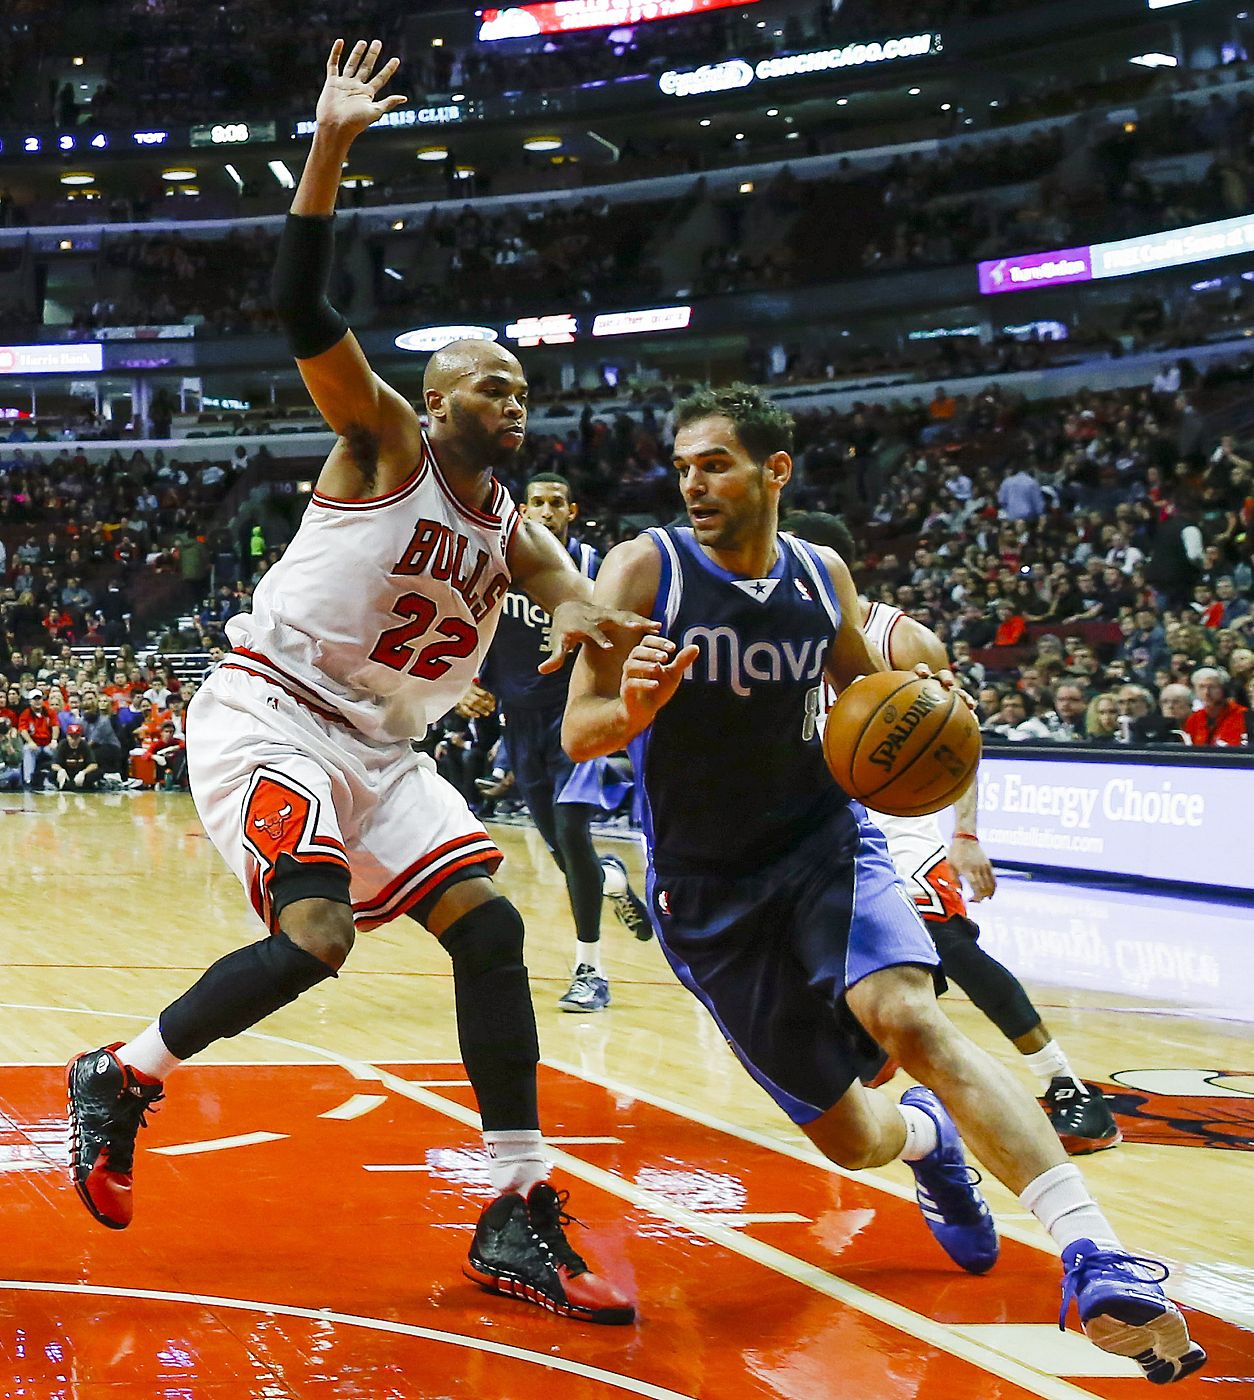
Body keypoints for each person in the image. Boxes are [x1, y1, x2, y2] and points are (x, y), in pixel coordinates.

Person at [67, 38, 650, 1329]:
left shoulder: (515, 526)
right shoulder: (383, 438)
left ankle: (512, 1205)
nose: (512, 400)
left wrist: (606, 636)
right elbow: (299, 314)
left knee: (491, 928)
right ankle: (124, 1072)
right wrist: (328, 145)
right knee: (317, 937)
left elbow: (575, 599)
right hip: (270, 708)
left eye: (523, 387)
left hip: (382, 752)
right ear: (434, 400)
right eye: (488, 384)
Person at [563, 384, 1204, 1383]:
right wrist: (634, 709)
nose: (695, 481)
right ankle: (923, 1138)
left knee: (909, 1014)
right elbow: (579, 728)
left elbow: (864, 697)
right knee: (857, 1139)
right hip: (707, 891)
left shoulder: (823, 576)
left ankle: (1092, 1251)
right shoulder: (645, 567)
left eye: (717, 462)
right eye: (684, 464)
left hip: (824, 842)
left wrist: (924, 707)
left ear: (775, 470)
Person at [783, 510, 1121, 1154]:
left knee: (949, 941)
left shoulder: (902, 640)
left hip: (897, 818)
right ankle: (877, 1063)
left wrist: (964, 834)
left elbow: (953, 743)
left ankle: (1067, 1087)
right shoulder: (773, 636)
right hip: (817, 818)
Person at [474, 471, 651, 1013]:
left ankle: (590, 970)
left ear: (571, 512)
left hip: (573, 715)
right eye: (537, 503)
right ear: (523, 511)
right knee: (561, 849)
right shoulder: (504, 565)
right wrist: (467, 686)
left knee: (572, 834)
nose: (546, 511)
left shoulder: (592, 569)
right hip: (519, 720)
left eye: (556, 503)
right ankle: (611, 878)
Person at [1183, 666, 1247, 746]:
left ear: (1224, 689)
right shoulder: (1193, 719)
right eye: (1201, 687)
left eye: (1212, 687)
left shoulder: (1243, 715)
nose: (1206, 693)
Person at [51, 722, 100, 791]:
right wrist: (61, 770)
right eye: (71, 737)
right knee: (52, 774)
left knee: (97, 773)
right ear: (67, 736)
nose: (74, 740)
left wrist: (83, 772)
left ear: (80, 737)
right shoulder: (62, 745)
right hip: (67, 774)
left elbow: (94, 764)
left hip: (80, 773)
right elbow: (54, 764)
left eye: (76, 737)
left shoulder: (84, 745)